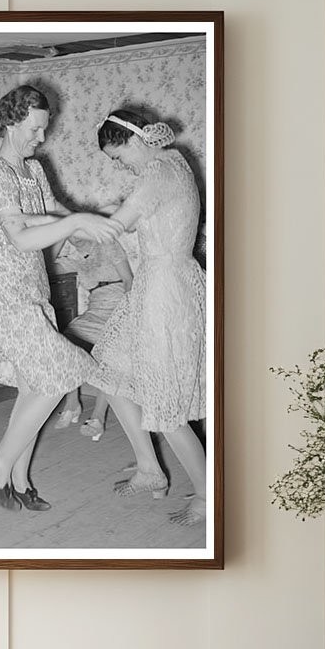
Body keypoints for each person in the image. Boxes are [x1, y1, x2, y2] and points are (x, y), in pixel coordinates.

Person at [0, 85, 122, 511]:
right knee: (59, 376)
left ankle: (18, 476)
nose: (41, 138)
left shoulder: (32, 170)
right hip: (4, 292)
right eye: (35, 129)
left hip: (33, 290)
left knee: (36, 385)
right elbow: (20, 235)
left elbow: (55, 215)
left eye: (44, 129)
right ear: (13, 122)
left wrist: (110, 225)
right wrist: (77, 224)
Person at [91, 110, 207, 528]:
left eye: (118, 156)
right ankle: (149, 469)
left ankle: (207, 493)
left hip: (165, 292)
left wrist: (63, 219)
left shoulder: (157, 171)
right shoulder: (174, 163)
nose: (120, 165)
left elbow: (117, 226)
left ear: (133, 140)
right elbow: (144, 212)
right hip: (158, 283)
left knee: (166, 402)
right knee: (108, 371)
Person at [53, 237, 132, 442]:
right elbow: (44, 267)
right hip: (94, 312)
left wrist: (130, 316)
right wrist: (59, 237)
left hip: (119, 308)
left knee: (109, 352)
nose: (75, 238)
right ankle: (73, 402)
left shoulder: (108, 245)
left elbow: (129, 280)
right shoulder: (76, 258)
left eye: (78, 232)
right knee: (66, 343)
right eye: (71, 234)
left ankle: (98, 416)